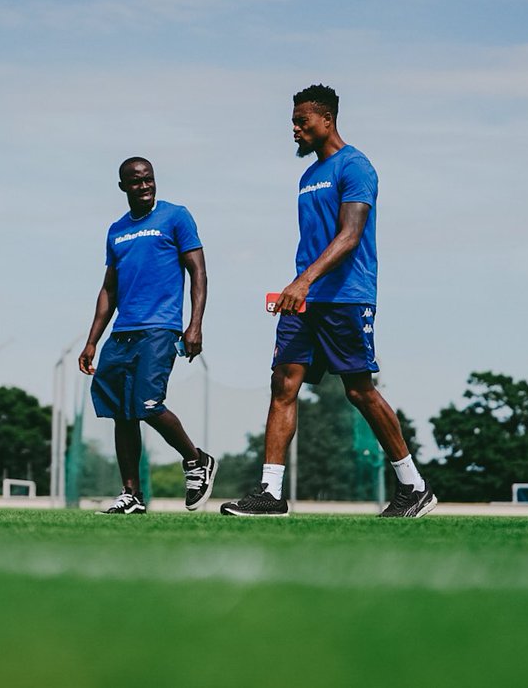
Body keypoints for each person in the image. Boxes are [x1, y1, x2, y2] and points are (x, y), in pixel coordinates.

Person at [221, 84, 436, 518]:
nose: (295, 130)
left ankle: (414, 487)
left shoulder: (355, 166)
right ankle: (271, 493)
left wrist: (302, 280)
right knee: (283, 383)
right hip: (305, 299)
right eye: (293, 123)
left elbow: (350, 236)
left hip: (345, 296)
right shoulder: (306, 176)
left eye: (302, 122)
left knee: (359, 391)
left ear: (327, 120)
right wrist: (301, 287)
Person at [79, 157, 217, 514]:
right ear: (123, 186)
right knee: (121, 413)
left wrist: (195, 324)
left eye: (148, 180)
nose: (144, 186)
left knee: (147, 404)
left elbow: (198, 272)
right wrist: (92, 340)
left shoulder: (176, 217)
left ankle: (196, 460)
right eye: (136, 182)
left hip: (161, 327)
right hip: (123, 332)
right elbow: (109, 289)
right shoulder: (117, 231)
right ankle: (132, 495)